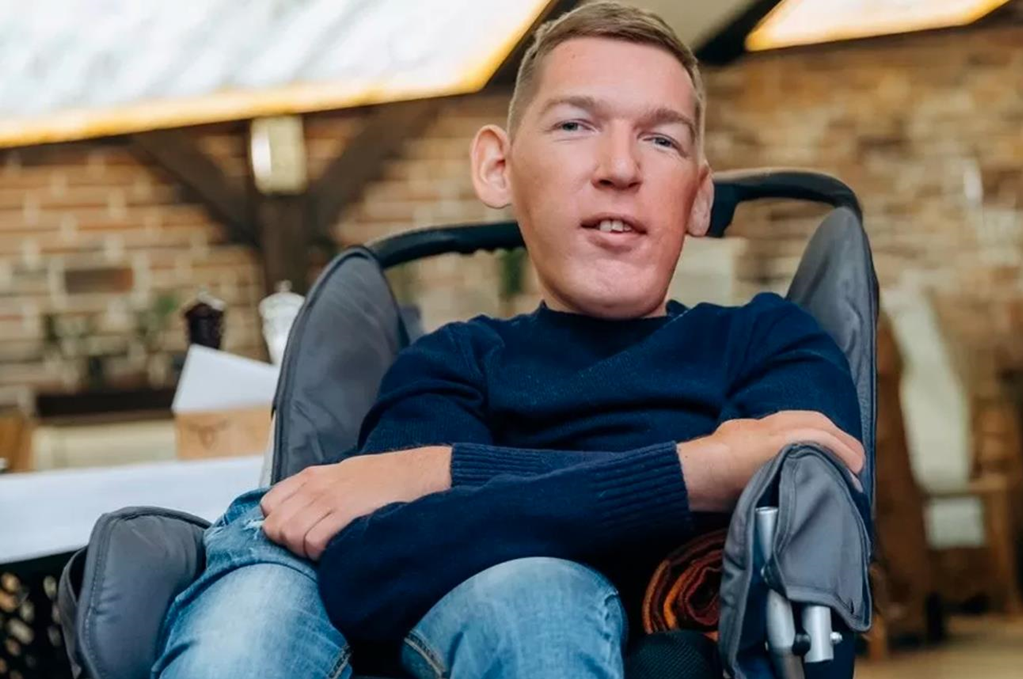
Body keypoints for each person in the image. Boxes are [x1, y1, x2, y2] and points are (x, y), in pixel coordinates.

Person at [151, 3, 865, 678]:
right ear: (499, 168)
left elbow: (810, 524)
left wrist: (438, 474)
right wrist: (701, 470)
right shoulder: (453, 363)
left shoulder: (770, 341)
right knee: (530, 592)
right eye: (575, 125)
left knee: (536, 591)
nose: (621, 167)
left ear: (699, 197)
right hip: (486, 632)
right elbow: (372, 571)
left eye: (661, 139)